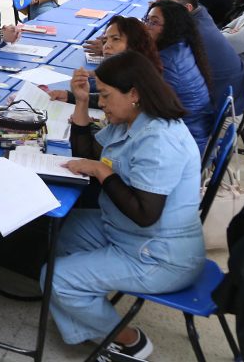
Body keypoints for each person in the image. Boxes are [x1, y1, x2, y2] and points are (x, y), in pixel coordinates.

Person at [50, 50, 204, 361]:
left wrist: (103, 171)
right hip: (124, 229)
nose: (101, 103)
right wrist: (80, 102)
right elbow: (91, 152)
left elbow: (145, 214)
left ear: (133, 93)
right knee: (59, 237)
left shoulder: (159, 139)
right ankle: (91, 318)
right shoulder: (131, 119)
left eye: (105, 96)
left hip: (158, 254)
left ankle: (129, 341)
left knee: (55, 278)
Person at [157, 0, 244, 114]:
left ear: (187, 8)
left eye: (165, 4)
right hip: (231, 96)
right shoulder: (200, 14)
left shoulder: (189, 34)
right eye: (157, 2)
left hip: (219, 111)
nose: (157, 8)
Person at [144, 0, 214, 153]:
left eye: (153, 23)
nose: (146, 27)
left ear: (170, 27)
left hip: (183, 146)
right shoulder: (181, 46)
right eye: (147, 20)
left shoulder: (167, 62)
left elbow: (144, 103)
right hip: (193, 132)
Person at [48, 15, 163, 107]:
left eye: (116, 39)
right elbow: (105, 94)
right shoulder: (122, 69)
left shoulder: (139, 77)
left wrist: (75, 98)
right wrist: (70, 96)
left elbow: (111, 99)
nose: (107, 46)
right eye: (105, 40)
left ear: (134, 44)